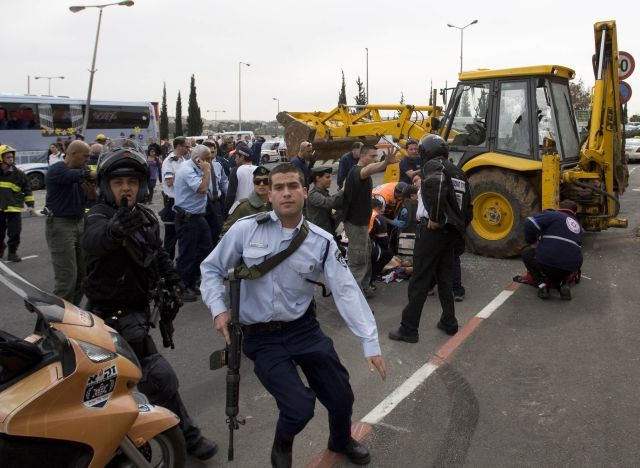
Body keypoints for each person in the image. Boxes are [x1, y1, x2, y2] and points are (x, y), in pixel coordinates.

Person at [200, 163, 386, 468]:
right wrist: (219, 309)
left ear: (304, 191)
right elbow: (211, 268)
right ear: (269, 194)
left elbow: (346, 291)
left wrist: (370, 341)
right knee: (299, 408)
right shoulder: (246, 230)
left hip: (303, 329)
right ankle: (282, 445)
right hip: (261, 337)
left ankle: (340, 440)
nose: (286, 193)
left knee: (341, 397)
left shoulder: (322, 241)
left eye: (292, 186)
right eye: (278, 187)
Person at [81, 143, 218, 461]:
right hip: (109, 319)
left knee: (123, 386)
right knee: (156, 379)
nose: (126, 188)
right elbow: (94, 240)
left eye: (131, 182)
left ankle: (125, 443)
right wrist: (114, 232)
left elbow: (157, 255)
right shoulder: (99, 216)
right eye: (118, 183)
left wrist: (172, 282)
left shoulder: (143, 216)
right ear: (106, 186)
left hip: (138, 312)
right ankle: (185, 437)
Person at [389, 135, 472, 343]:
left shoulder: (434, 166)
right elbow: (469, 208)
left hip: (432, 232)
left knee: (419, 280)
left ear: (427, 151)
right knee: (444, 278)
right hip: (451, 233)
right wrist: (456, 226)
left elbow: (436, 185)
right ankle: (449, 321)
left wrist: (436, 218)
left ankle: (408, 329)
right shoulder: (458, 172)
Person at [44, 140, 96, 305]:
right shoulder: (57, 170)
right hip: (60, 224)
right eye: (85, 156)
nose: (87, 160)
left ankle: (71, 315)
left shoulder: (82, 169)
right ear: (72, 154)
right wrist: (95, 173)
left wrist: (91, 192)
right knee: (67, 278)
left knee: (83, 277)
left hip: (78, 223)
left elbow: (92, 198)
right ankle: (49, 322)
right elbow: (76, 176)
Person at [342, 145, 396, 297]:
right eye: (372, 156)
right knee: (358, 260)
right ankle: (352, 296)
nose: (375, 159)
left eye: (376, 156)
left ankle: (364, 287)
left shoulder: (356, 171)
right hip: (356, 224)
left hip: (361, 224)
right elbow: (368, 169)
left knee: (365, 255)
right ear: (363, 156)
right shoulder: (360, 171)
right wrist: (385, 164)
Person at [173, 144, 214, 299]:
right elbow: (202, 188)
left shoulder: (197, 168)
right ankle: (182, 286)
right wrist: (207, 170)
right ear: (198, 159)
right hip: (186, 218)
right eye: (207, 158)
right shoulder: (187, 170)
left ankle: (193, 280)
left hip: (197, 216)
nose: (210, 161)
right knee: (187, 253)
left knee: (205, 248)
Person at [520, 199, 583, 300]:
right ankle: (562, 284)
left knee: (527, 252)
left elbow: (529, 222)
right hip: (571, 267)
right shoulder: (578, 226)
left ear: (559, 208)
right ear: (574, 212)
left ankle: (542, 286)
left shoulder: (553, 215)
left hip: (548, 263)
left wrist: (532, 241)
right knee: (561, 259)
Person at [0, 145, 35, 262]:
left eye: (12, 157)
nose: (11, 159)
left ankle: (12, 252)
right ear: (1, 158)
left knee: (14, 233)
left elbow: (27, 190)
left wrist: (30, 205)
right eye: (8, 157)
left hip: (14, 209)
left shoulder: (19, 174)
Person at [160, 136, 190, 259]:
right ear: (178, 146)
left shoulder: (183, 160)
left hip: (182, 202)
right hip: (172, 202)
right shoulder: (169, 161)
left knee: (183, 235)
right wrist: (184, 175)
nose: (188, 148)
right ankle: (167, 267)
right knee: (171, 237)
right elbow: (169, 182)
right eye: (186, 146)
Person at [221, 165, 271, 236]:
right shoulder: (242, 207)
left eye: (266, 181)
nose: (261, 184)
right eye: (257, 181)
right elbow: (226, 234)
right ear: (253, 183)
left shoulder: (277, 205)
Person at [306, 165, 343, 235]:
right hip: (319, 233)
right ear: (318, 178)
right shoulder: (313, 194)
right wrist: (343, 190)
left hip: (326, 230)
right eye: (327, 177)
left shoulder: (324, 192)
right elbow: (329, 203)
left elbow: (336, 204)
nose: (330, 179)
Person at [223, 145, 255, 217]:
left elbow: (231, 195)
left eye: (236, 156)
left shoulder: (235, 170)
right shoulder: (258, 169)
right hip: (257, 210)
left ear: (242, 157)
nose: (235, 159)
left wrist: (226, 213)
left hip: (239, 211)